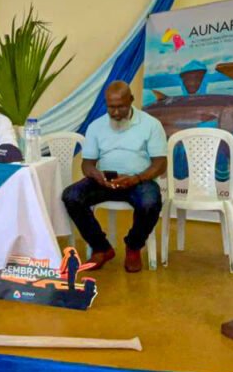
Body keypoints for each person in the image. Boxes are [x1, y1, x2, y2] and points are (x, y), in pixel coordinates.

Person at [61, 81, 167, 273]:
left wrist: (136, 178)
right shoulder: (96, 126)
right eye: (111, 107)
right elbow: (87, 163)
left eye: (121, 107)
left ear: (131, 100)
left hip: (138, 181)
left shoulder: (151, 125)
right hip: (104, 181)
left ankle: (133, 246)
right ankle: (101, 248)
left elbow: (160, 163)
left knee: (151, 203)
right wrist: (96, 175)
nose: (116, 112)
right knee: (71, 196)